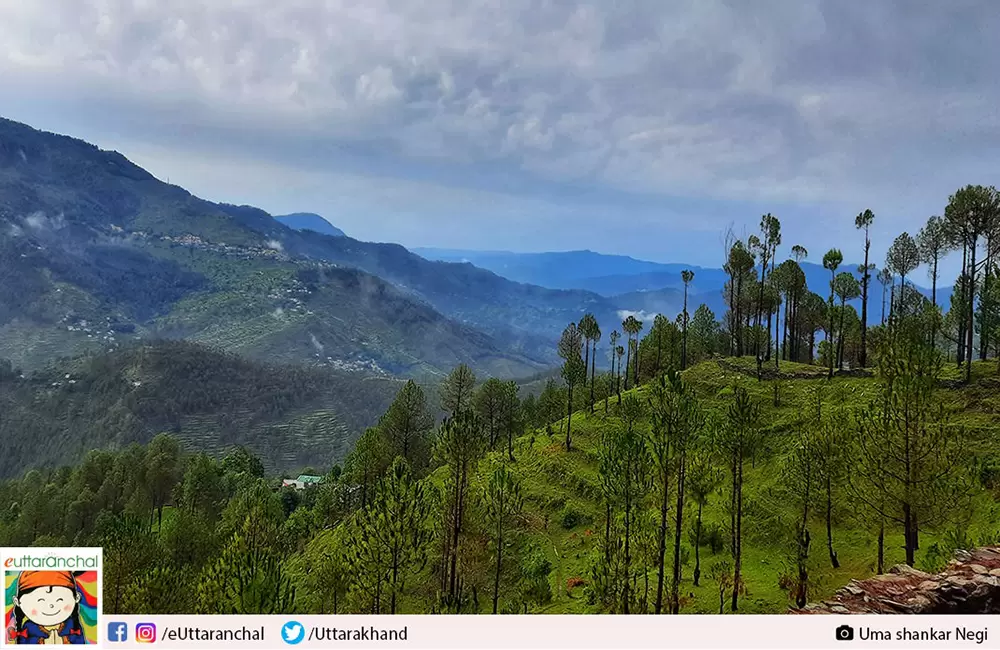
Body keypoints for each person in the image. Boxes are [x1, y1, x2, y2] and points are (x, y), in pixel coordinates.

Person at [9, 571, 87, 644]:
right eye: (40, 601)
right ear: (17, 602)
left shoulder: (72, 624)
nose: (51, 606)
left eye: (60, 600)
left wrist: (64, 641)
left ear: (76, 598)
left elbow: (80, 641)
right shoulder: (29, 627)